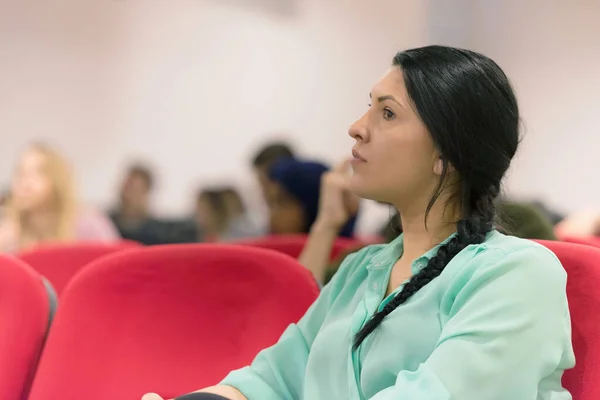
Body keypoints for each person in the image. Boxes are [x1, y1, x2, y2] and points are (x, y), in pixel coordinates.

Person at [143, 46, 574, 400]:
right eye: (368, 108)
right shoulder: (359, 272)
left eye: (387, 114)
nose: (356, 128)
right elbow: (269, 381)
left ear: (447, 155)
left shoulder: (516, 275)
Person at [0, 143, 119, 253]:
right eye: (20, 173)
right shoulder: (10, 231)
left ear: (57, 181)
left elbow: (116, 266)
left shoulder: (88, 224)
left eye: (37, 173)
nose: (24, 183)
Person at [267, 158, 357, 238]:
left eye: (283, 203)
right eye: (271, 204)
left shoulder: (349, 255)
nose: (272, 215)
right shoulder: (267, 246)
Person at [110, 163, 164, 245]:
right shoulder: (107, 223)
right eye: (126, 187)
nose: (128, 194)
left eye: (134, 189)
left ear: (146, 192)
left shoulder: (156, 232)